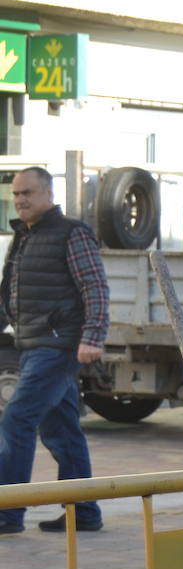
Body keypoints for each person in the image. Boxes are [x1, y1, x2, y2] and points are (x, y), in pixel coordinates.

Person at [0, 166, 109, 536]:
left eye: (27, 193)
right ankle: (84, 511)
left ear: (48, 194)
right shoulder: (24, 236)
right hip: (32, 344)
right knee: (61, 430)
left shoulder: (71, 233)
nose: (20, 200)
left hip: (58, 345)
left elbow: (94, 286)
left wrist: (93, 336)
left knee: (16, 419)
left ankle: (7, 512)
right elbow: (10, 294)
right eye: (16, 194)